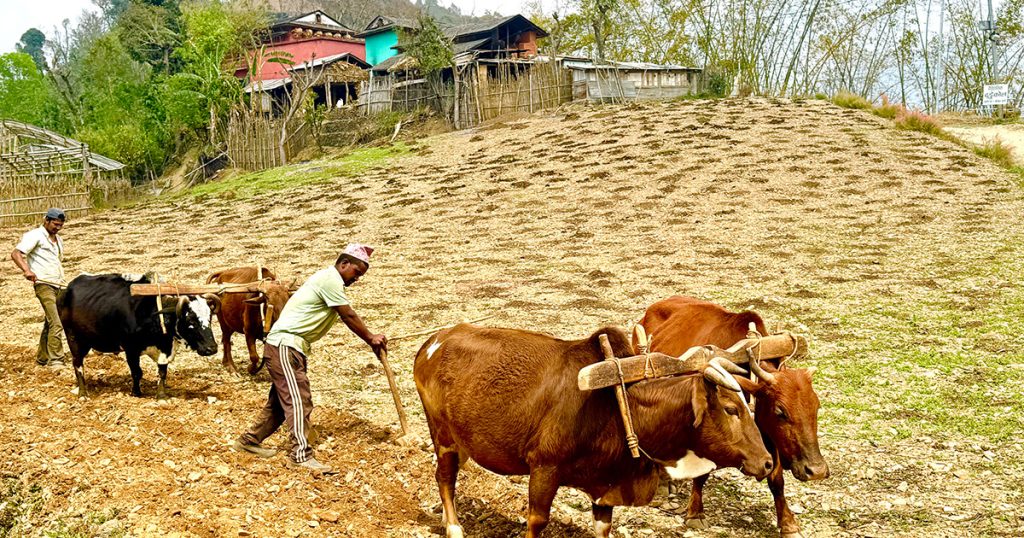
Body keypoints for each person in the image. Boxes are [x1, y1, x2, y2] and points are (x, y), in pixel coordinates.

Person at [234, 243, 387, 473]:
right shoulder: (330, 279)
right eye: (356, 272)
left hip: (291, 347)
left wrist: (370, 339)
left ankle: (248, 441)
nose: (357, 278)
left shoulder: (329, 281)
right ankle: (300, 455)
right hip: (285, 345)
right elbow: (348, 315)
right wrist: (371, 338)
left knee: (280, 403)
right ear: (344, 264)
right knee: (299, 400)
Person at [10, 208, 68, 367]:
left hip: (58, 284)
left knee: (50, 322)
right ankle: (56, 360)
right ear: (46, 220)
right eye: (55, 224)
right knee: (57, 322)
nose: (57, 228)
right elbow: (16, 253)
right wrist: (27, 270)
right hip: (44, 284)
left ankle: (42, 358)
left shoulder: (58, 239)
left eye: (60, 225)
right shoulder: (35, 235)